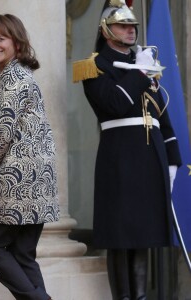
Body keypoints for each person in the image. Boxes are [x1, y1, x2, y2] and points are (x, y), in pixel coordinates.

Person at [73, 1, 182, 299]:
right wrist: (139, 73)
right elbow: (114, 103)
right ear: (107, 31)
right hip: (120, 157)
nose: (131, 31)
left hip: (150, 157)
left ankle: (141, 296)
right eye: (123, 25)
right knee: (121, 236)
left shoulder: (143, 65)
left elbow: (162, 116)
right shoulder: (94, 67)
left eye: (133, 26)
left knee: (143, 234)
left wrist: (172, 161)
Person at [0, 14, 59, 300]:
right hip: (34, 178)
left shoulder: (14, 77)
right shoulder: (7, 75)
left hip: (19, 177)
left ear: (17, 41)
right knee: (23, 255)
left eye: (1, 38)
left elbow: (4, 129)